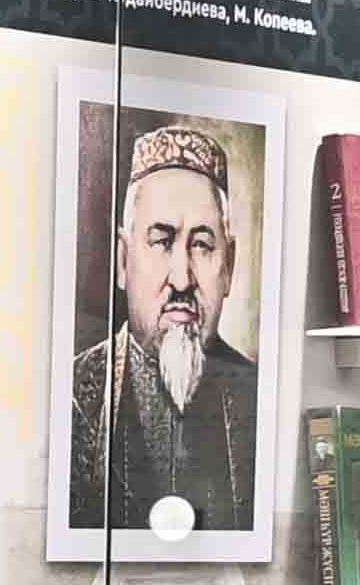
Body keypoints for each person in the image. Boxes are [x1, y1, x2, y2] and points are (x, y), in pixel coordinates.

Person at [67, 117, 255, 535]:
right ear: (123, 260)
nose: (182, 278)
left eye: (202, 245)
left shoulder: (257, 399)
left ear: (228, 267)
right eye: (162, 241)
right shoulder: (72, 396)